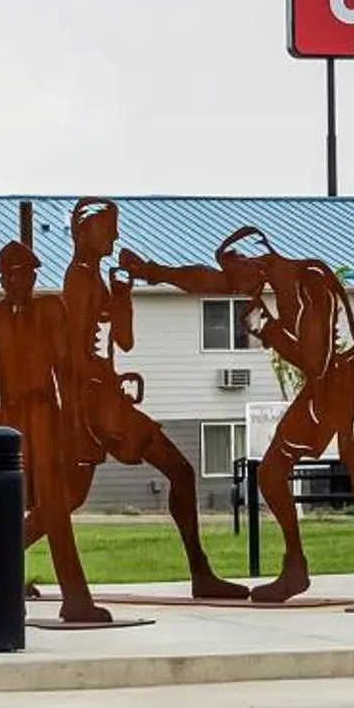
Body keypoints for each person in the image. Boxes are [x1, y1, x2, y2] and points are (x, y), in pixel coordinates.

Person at [121, 226, 354, 606]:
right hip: (324, 388)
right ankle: (295, 566)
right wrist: (153, 271)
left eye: (237, 274)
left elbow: (316, 359)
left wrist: (266, 328)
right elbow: (206, 280)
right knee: (272, 470)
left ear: (257, 259)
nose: (236, 286)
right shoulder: (266, 279)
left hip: (352, 382)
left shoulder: (310, 281)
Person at [61, 199, 246, 600]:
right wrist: (85, 411)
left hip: (106, 398)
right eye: (106, 228)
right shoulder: (78, 281)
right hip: (98, 406)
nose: (113, 235)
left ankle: (2, 568)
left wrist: (124, 294)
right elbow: (72, 353)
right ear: (83, 232)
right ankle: (201, 573)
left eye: (115, 227)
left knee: (69, 499)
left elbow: (123, 339)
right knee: (177, 472)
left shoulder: (97, 279)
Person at [0, 240, 109, 624]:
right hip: (11, 420)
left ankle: (75, 597)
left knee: (55, 502)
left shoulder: (51, 309)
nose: (23, 283)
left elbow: (65, 372)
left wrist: (74, 424)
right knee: (15, 502)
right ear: (2, 280)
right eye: (14, 276)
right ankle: (2, 582)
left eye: (29, 275)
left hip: (47, 416)